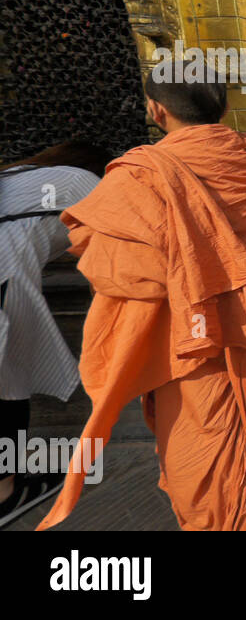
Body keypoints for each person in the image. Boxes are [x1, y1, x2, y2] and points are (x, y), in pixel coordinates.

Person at [37, 63, 246, 530]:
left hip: (193, 334)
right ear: (226, 105)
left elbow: (115, 271)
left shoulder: (140, 175)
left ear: (157, 111)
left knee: (207, 436)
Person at [0, 142, 112, 528]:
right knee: (10, 385)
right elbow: (119, 242)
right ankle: (6, 493)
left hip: (8, 272)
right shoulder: (87, 181)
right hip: (5, 277)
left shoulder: (18, 174)